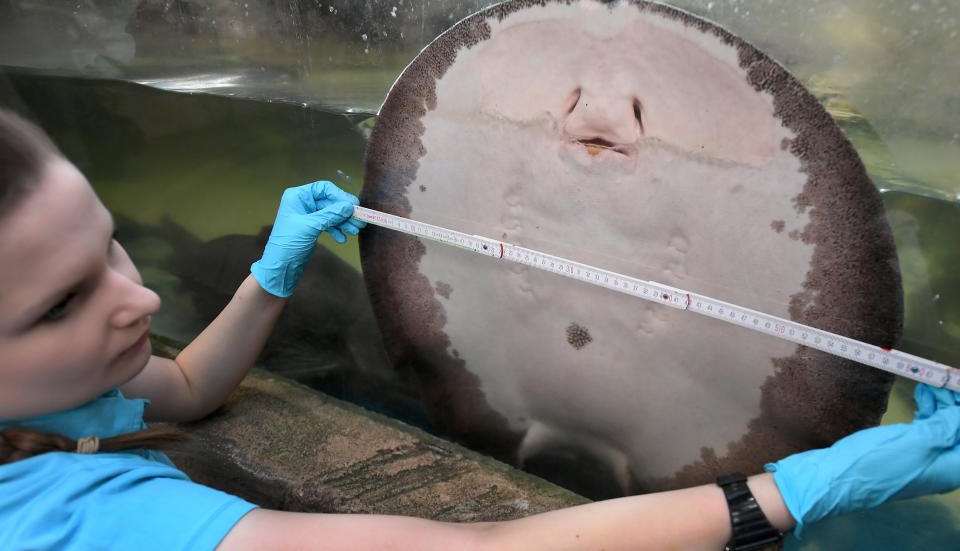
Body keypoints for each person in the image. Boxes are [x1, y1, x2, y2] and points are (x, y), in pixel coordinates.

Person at [0, 106, 957, 551]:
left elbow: (188, 388)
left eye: (111, 248)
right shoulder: (91, 521)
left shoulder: (56, 403)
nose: (144, 302)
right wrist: (789, 493)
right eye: (59, 304)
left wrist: (271, 270)